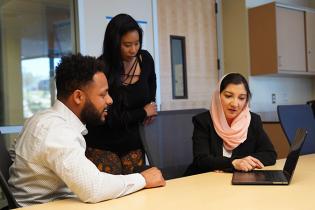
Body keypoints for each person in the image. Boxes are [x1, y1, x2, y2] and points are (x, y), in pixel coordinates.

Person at [8, 54, 165, 207]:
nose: (110, 100)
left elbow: (14, 153)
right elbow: (94, 188)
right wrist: (143, 179)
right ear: (78, 97)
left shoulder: (40, 118)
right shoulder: (57, 131)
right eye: (103, 94)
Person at [85, 14, 157, 175]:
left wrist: (152, 102)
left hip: (133, 141)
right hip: (102, 142)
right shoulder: (102, 68)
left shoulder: (145, 59)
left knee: (137, 192)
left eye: (137, 43)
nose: (133, 50)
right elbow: (111, 119)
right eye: (127, 45)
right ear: (114, 43)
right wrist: (144, 112)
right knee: (111, 192)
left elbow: (152, 81)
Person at [186, 73, 277, 175]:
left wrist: (241, 163)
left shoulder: (253, 120)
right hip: (205, 181)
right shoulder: (203, 121)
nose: (234, 104)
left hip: (239, 181)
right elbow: (201, 160)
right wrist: (233, 163)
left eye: (241, 98)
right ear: (218, 96)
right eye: (228, 96)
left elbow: (270, 154)